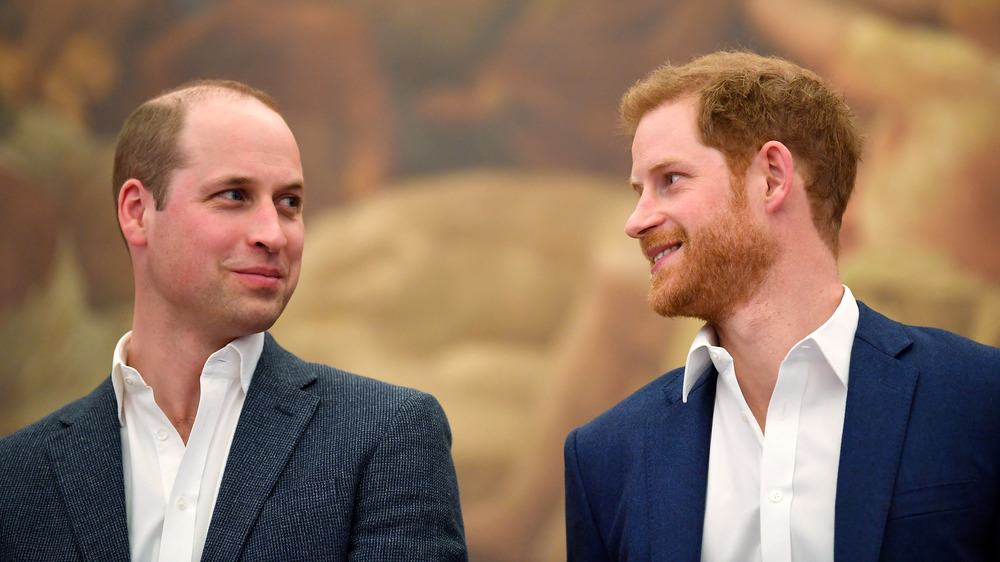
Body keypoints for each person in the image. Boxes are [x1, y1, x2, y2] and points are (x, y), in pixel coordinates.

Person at [0, 79, 467, 561]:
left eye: (289, 203)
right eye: (234, 195)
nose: (274, 234)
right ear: (138, 212)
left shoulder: (386, 436)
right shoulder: (17, 476)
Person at [563, 51, 1000, 561]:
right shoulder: (605, 456)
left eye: (670, 180)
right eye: (640, 191)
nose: (635, 221)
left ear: (771, 177)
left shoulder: (979, 400)